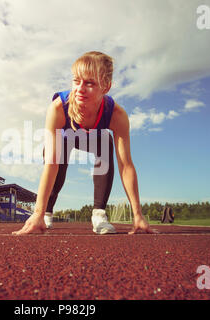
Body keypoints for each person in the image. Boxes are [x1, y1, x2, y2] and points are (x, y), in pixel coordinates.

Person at [13, 51, 158, 235]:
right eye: (76, 80)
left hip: (94, 138)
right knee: (58, 166)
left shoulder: (117, 116)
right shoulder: (58, 108)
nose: (80, 88)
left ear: (106, 86)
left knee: (106, 142)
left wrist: (138, 214)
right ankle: (47, 213)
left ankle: (99, 215)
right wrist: (37, 213)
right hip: (65, 137)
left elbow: (126, 165)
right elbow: (51, 163)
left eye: (89, 83)